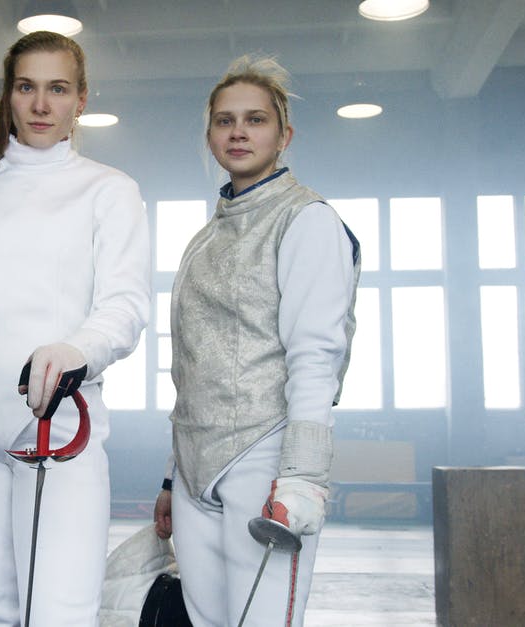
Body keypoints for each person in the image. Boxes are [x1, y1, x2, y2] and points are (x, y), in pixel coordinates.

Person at [0, 30, 150, 626]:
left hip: (60, 436)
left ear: (81, 99)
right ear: (9, 95)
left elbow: (126, 305)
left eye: (57, 89)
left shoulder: (109, 191)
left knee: (59, 617)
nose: (41, 104)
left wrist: (76, 349)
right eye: (26, 87)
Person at [152, 55, 360, 627]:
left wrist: (303, 477)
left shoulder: (308, 220)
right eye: (225, 120)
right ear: (210, 134)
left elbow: (317, 355)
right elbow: (190, 367)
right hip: (196, 466)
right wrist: (173, 476)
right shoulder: (204, 237)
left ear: (284, 134)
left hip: (265, 456)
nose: (239, 132)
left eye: (255, 119)